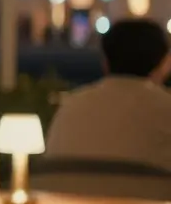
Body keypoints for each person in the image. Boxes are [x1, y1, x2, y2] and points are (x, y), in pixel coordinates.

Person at [45, 17, 171, 173]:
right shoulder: (165, 108)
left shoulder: (72, 106)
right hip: (147, 196)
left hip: (66, 195)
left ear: (105, 61)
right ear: (164, 63)